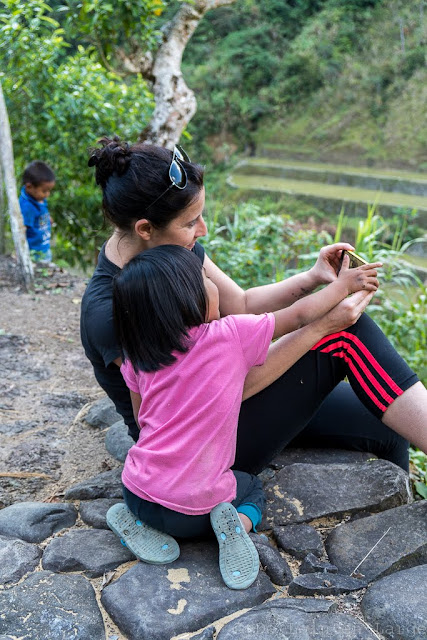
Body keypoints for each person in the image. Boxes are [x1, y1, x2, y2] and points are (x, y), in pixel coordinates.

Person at [80, 137, 427, 562]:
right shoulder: (111, 309)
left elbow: (239, 304)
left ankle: (397, 527)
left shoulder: (173, 248)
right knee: (345, 334)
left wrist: (313, 277)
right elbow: (201, 391)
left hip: (222, 406)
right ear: (145, 229)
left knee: (389, 417)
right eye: (192, 222)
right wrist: (320, 328)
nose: (202, 231)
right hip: (192, 446)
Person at [106, 243, 381, 588]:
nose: (214, 284)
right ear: (186, 297)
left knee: (151, 494)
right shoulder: (229, 335)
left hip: (137, 490)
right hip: (195, 514)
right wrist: (343, 285)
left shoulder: (137, 358)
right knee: (251, 487)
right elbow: (298, 315)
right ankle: (235, 527)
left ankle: (140, 523)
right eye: (206, 278)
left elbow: (141, 419)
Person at [19, 161, 55, 262]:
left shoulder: (38, 198)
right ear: (29, 187)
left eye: (49, 190)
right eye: (44, 191)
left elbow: (42, 210)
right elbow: (23, 230)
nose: (47, 194)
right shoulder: (27, 207)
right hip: (35, 252)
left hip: (44, 246)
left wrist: (48, 218)